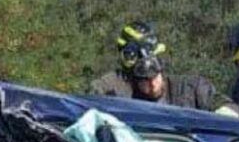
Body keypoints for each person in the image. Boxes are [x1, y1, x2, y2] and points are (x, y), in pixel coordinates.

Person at [89, 21, 223, 110]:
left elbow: (223, 104)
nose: (152, 84)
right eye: (145, 80)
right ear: (133, 79)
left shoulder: (191, 89)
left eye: (155, 76)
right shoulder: (118, 88)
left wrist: (226, 109)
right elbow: (91, 97)